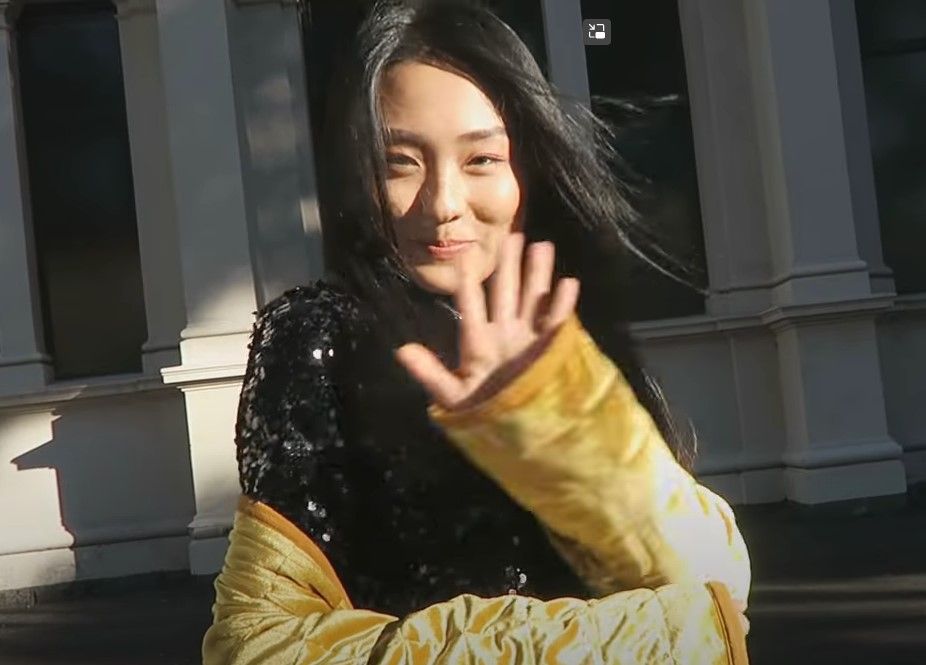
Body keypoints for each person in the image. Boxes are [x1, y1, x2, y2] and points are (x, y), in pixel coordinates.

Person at [203, 2, 751, 662]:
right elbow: (256, 645)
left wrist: (555, 425)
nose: (442, 204)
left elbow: (714, 576)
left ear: (529, 167)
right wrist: (615, 641)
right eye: (400, 162)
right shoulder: (317, 337)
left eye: (482, 159)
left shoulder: (562, 330)